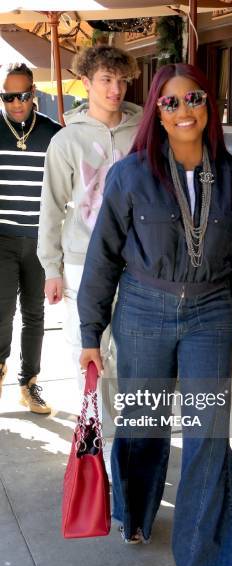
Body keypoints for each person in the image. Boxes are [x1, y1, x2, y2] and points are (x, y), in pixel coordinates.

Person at [78, 63, 232, 566]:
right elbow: (102, 257)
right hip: (142, 309)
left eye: (195, 99)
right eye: (172, 103)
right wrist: (91, 331)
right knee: (143, 424)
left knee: (208, 441)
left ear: (209, 107)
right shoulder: (131, 175)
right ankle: (134, 511)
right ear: (156, 112)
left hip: (210, 313)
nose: (185, 111)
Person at [37, 45, 142, 428]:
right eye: (106, 80)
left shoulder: (145, 134)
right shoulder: (65, 141)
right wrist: (51, 268)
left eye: (122, 80)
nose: (116, 89)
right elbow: (51, 207)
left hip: (137, 264)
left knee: (133, 355)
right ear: (86, 83)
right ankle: (98, 445)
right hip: (81, 263)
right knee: (90, 356)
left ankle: (127, 441)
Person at [0, 62, 61, 413]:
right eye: (8, 97)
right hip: (2, 238)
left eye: (22, 95)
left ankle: (29, 382)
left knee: (35, 313)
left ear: (33, 93)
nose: (16, 103)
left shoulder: (53, 133)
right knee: (1, 310)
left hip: (41, 240)